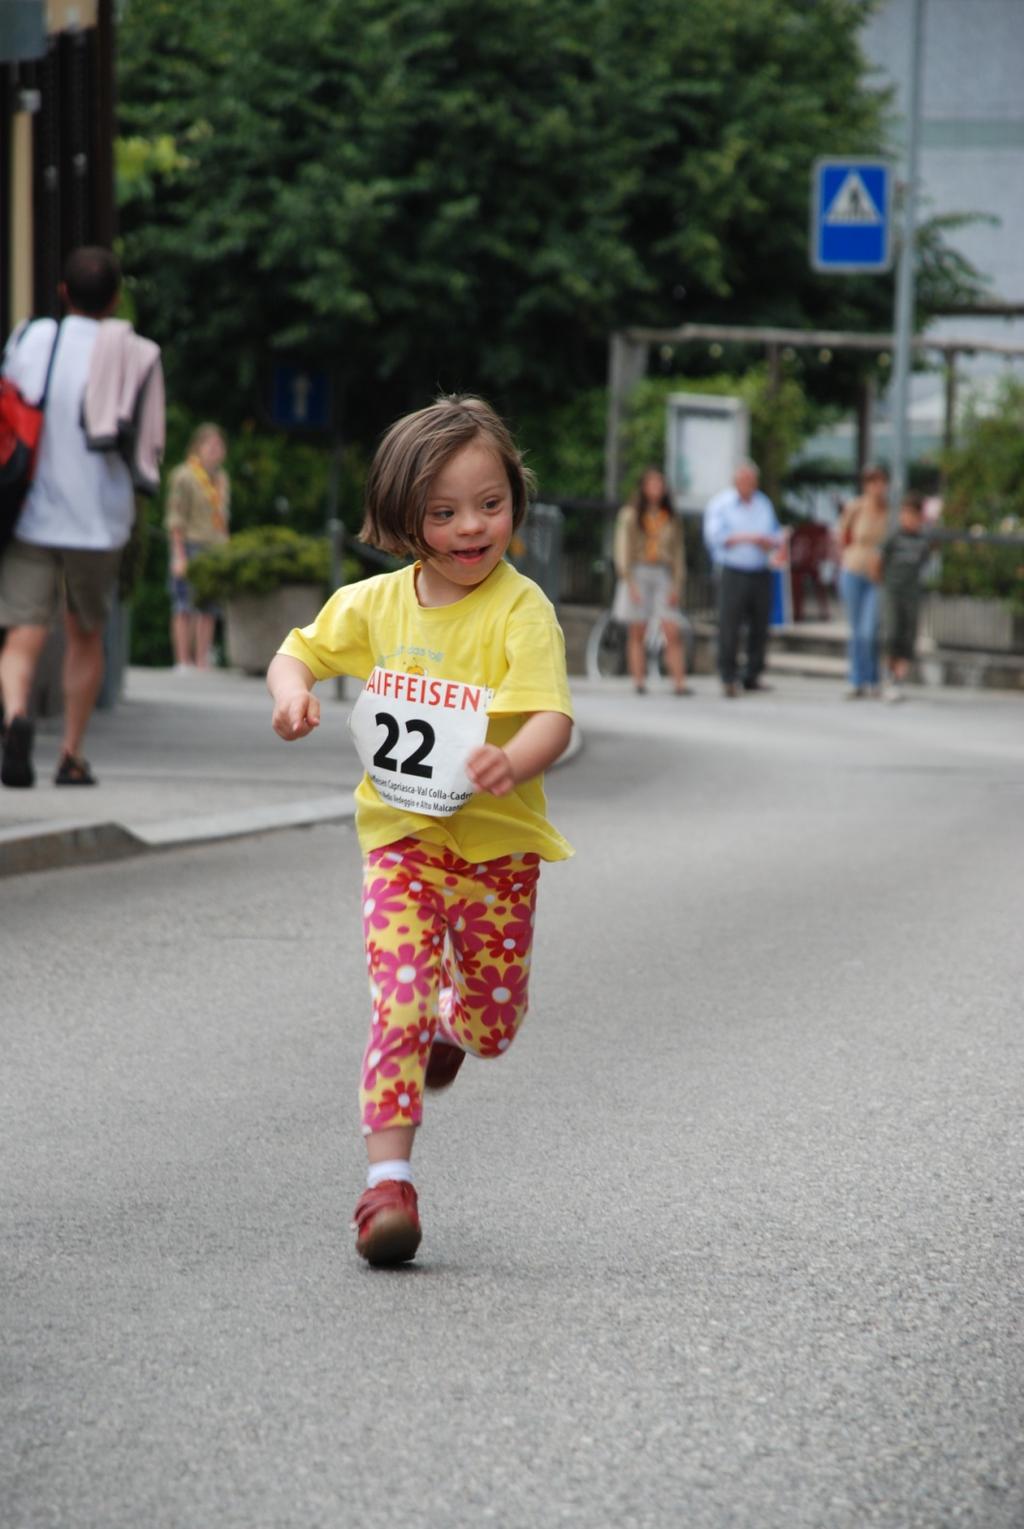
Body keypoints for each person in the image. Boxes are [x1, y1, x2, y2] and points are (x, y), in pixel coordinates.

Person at [267, 395, 574, 1268]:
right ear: (405, 516)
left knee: (493, 1020)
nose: (471, 527)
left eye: (489, 503)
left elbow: (553, 717)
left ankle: (458, 1023)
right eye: (442, 512)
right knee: (394, 999)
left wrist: (515, 762)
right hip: (400, 842)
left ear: (515, 499)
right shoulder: (372, 604)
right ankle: (387, 1185)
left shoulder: (523, 611)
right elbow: (297, 650)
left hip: (498, 855)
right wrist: (291, 694)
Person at [0, 246, 164, 788]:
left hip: (31, 515)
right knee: (86, 635)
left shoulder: (31, 339)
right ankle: (70, 754)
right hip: (99, 522)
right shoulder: (139, 354)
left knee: (23, 633)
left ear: (64, 293)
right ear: (116, 299)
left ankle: (16, 715)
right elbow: (151, 445)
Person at [703, 459, 782, 697]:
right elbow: (715, 536)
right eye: (744, 480)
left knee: (759, 624)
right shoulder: (722, 504)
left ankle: (753, 674)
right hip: (733, 569)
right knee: (730, 624)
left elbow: (775, 533)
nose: (748, 484)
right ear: (736, 481)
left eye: (752, 480)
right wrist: (748, 538)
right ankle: (728, 674)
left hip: (759, 568)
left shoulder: (763, 503)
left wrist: (770, 542)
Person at [611, 466, 690, 695]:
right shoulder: (631, 514)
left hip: (662, 572)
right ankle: (638, 679)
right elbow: (623, 548)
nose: (657, 489)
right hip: (638, 570)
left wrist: (677, 583)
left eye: (660, 484)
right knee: (638, 628)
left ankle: (679, 681)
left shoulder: (670, 517)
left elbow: (677, 552)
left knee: (671, 627)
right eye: (652, 484)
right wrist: (628, 580)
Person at [166, 424, 230, 671]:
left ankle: (202, 658)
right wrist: (178, 554)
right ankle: (183, 660)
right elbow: (176, 518)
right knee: (183, 604)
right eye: (210, 445)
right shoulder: (184, 475)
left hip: (214, 547)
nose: (215, 450)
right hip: (191, 544)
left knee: (209, 607)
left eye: (219, 446)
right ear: (197, 447)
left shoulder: (221, 478)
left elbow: (223, 516)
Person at [837, 463, 889, 699]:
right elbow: (843, 537)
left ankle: (873, 678)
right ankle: (857, 679)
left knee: (871, 630)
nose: (877, 487)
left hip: (877, 576)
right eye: (872, 482)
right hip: (854, 569)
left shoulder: (890, 510)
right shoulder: (855, 508)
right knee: (856, 630)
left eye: (880, 482)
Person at [881, 490, 931, 703]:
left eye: (912, 514)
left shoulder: (923, 542)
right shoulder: (894, 538)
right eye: (904, 513)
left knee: (907, 637)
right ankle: (889, 676)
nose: (907, 518)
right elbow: (879, 562)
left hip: (912, 594)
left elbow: (924, 565)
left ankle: (898, 680)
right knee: (891, 635)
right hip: (893, 591)